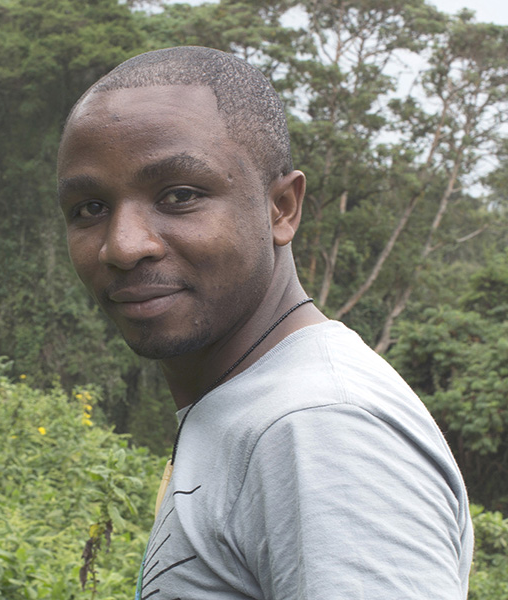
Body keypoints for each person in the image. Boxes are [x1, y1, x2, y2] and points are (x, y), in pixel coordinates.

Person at [57, 46, 473, 599]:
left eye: (180, 196)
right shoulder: (251, 408)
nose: (123, 246)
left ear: (281, 208)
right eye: (90, 208)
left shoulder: (321, 430)